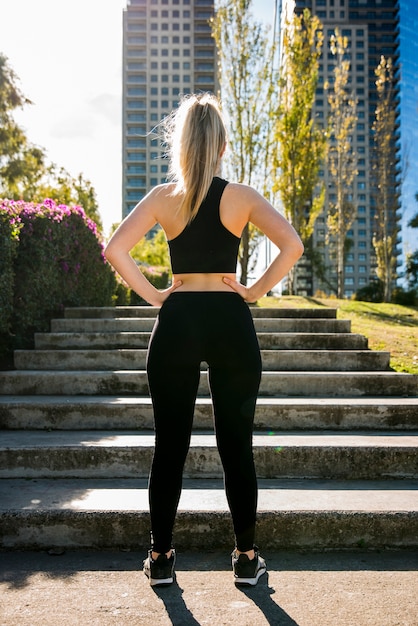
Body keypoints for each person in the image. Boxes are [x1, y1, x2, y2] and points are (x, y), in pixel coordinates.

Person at [104, 92, 304, 587]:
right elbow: (292, 245)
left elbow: (115, 250)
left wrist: (156, 295)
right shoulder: (241, 196)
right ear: (219, 146)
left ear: (182, 145)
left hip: (178, 320)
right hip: (230, 320)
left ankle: (162, 558)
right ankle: (244, 558)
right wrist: (254, 290)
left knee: (168, 445)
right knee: (237, 443)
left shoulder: (162, 197)